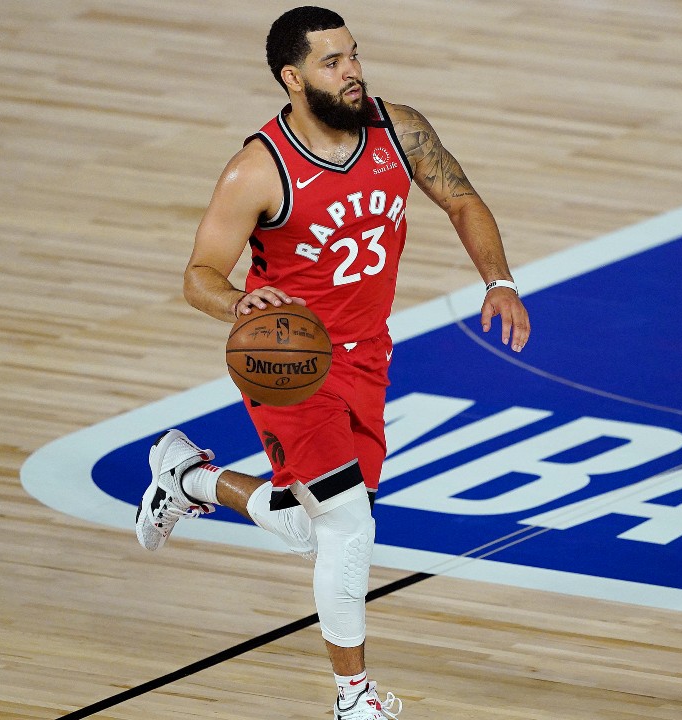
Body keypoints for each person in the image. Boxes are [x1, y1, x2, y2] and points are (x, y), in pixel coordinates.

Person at [133, 6, 530, 720]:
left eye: (353, 56)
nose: (352, 72)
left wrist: (498, 282)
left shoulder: (397, 128)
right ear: (292, 77)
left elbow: (463, 200)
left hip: (368, 355)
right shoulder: (257, 169)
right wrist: (237, 307)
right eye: (331, 62)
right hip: (288, 362)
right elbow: (199, 273)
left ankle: (187, 476)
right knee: (349, 527)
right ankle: (355, 699)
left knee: (309, 528)